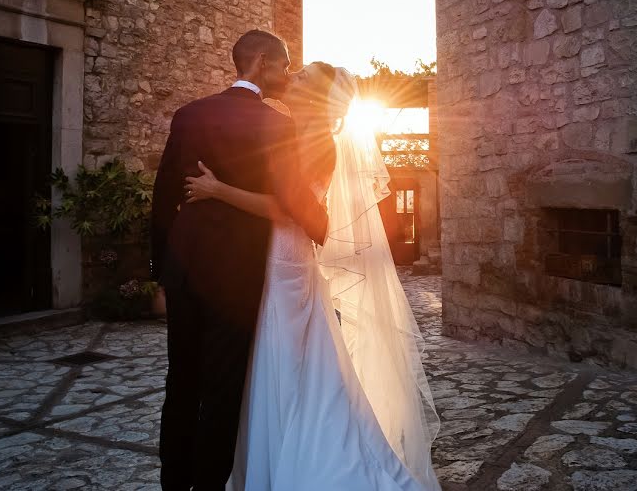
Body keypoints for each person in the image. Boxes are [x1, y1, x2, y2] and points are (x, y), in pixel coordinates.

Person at [184, 63, 442, 491]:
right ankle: (275, 453)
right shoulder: (292, 132)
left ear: (318, 96)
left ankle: (307, 460)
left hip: (286, 261)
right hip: (276, 258)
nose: (293, 78)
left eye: (302, 77)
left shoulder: (318, 141)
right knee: (287, 361)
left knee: (289, 360)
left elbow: (288, 210)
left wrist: (219, 191)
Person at [151, 30, 329, 491]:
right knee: (223, 389)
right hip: (237, 275)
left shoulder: (188, 114)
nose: (287, 73)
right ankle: (209, 485)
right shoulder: (274, 123)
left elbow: (163, 198)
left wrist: (160, 276)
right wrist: (321, 224)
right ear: (262, 61)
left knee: (182, 381)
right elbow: (290, 197)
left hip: (185, 271)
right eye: (284, 64)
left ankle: (173, 484)